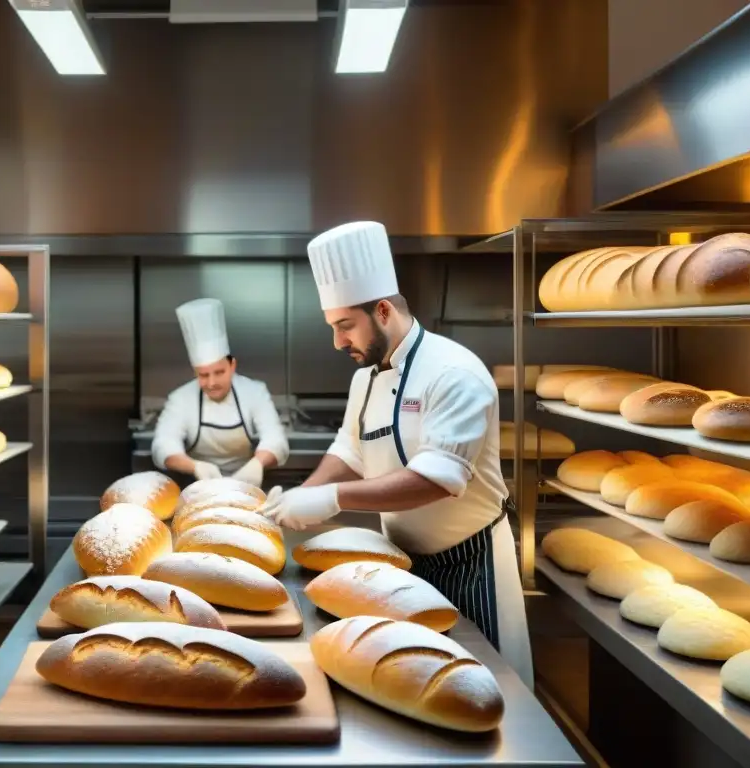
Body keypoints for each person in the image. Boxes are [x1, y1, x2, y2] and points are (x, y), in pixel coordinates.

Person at [261, 221, 533, 688]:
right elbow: (350, 448)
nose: (337, 342)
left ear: (383, 310)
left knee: (490, 691)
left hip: (471, 563)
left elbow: (437, 478)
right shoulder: (365, 377)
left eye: (345, 326)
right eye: (333, 327)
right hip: (401, 562)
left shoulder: (453, 373)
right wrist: (304, 494)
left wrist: (333, 500)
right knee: (421, 686)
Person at [152, 298, 289, 487]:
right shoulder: (181, 398)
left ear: (232, 365)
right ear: (194, 372)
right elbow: (163, 446)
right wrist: (194, 467)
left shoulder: (254, 392)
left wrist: (257, 465)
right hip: (195, 486)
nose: (212, 382)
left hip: (246, 484)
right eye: (203, 375)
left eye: (219, 372)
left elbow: (276, 440)